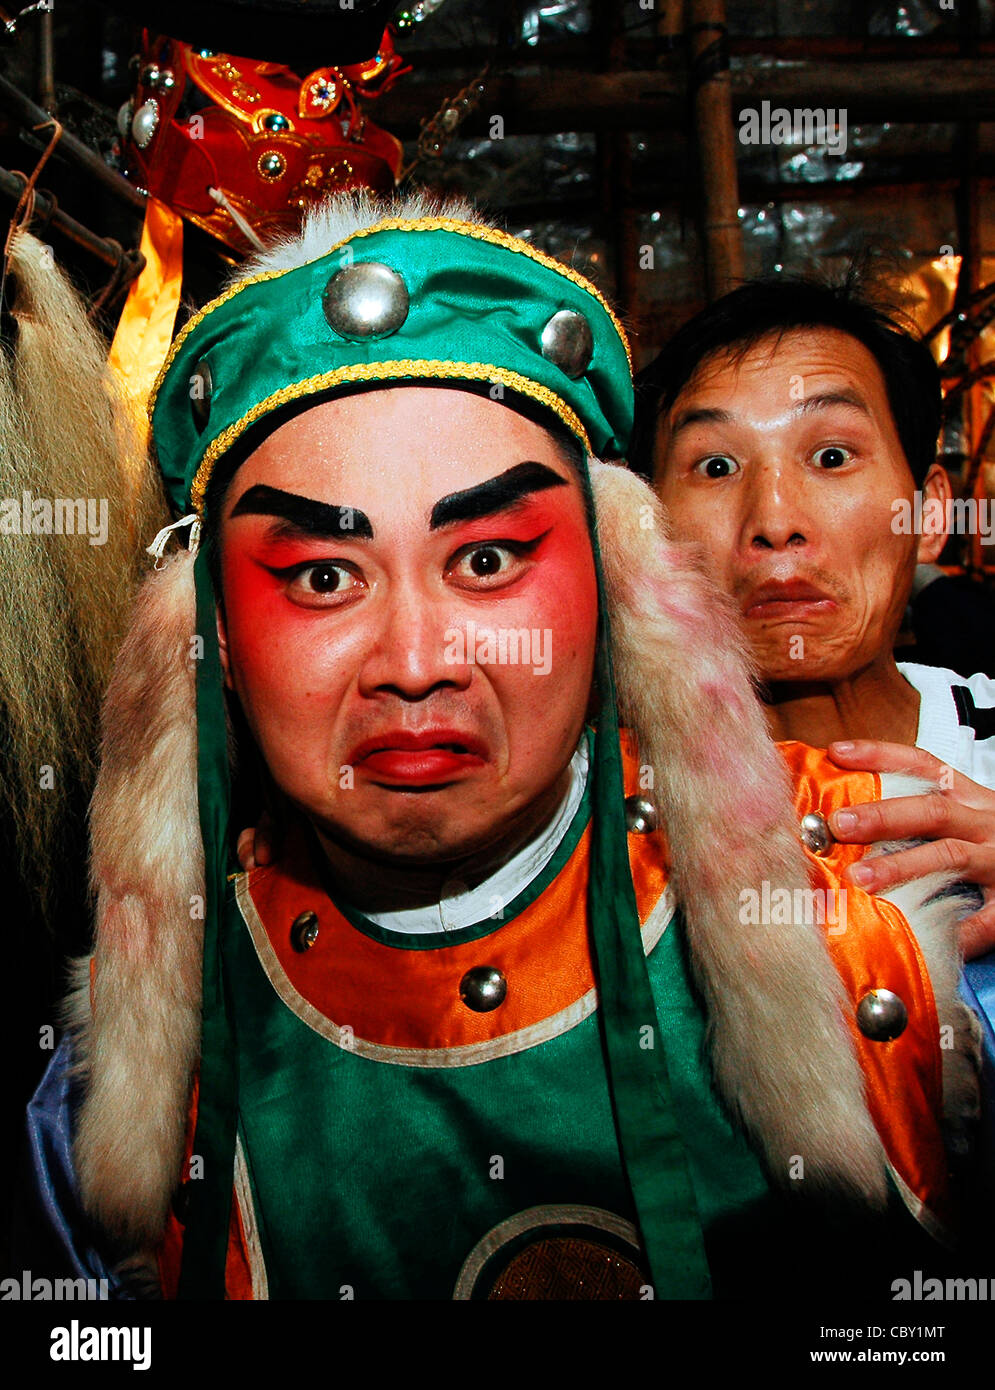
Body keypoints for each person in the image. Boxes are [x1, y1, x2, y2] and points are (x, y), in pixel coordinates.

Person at [35, 197, 981, 1300]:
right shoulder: (119, 1089)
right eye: (322, 577)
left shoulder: (897, 929)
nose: (415, 661)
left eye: (485, 560)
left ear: (612, 591)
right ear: (216, 641)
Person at [633, 272, 995, 1047]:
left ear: (927, 515)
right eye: (715, 466)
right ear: (649, 534)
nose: (773, 522)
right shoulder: (606, 807)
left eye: (830, 455)